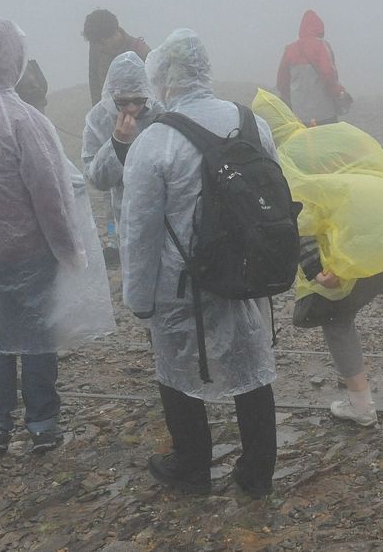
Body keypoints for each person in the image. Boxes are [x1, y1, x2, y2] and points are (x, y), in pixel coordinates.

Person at [0, 12, 115, 455]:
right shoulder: (24, 119)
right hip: (27, 251)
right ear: (14, 58)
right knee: (37, 332)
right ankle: (41, 422)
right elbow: (49, 194)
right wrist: (69, 248)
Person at [122, 30, 278, 498]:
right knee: (252, 364)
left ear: (163, 79)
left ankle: (191, 465)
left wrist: (138, 299)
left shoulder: (156, 141)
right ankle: (257, 471)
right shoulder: (253, 123)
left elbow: (139, 230)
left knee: (178, 368)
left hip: (182, 281)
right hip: (248, 269)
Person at [252, 90, 383, 427]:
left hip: (368, 243)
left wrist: (317, 270)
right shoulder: (335, 133)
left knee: (335, 315)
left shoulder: (280, 160)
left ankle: (361, 406)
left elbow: (300, 219)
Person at [82, 52, 162, 260]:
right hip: (124, 215)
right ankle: (110, 239)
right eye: (123, 102)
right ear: (112, 96)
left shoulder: (161, 113)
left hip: (166, 214)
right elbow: (97, 180)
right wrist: (117, 143)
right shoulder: (98, 119)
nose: (133, 108)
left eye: (139, 100)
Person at [277, 10, 351, 127]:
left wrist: (287, 99)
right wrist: (338, 91)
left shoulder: (290, 49)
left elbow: (282, 80)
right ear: (320, 29)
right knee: (328, 140)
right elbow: (328, 73)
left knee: (304, 141)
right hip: (324, 111)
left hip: (298, 111)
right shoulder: (322, 46)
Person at [83, 9, 151, 105]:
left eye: (102, 43)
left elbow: (152, 93)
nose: (99, 48)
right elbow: (94, 82)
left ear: (114, 34)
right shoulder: (96, 42)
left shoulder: (141, 52)